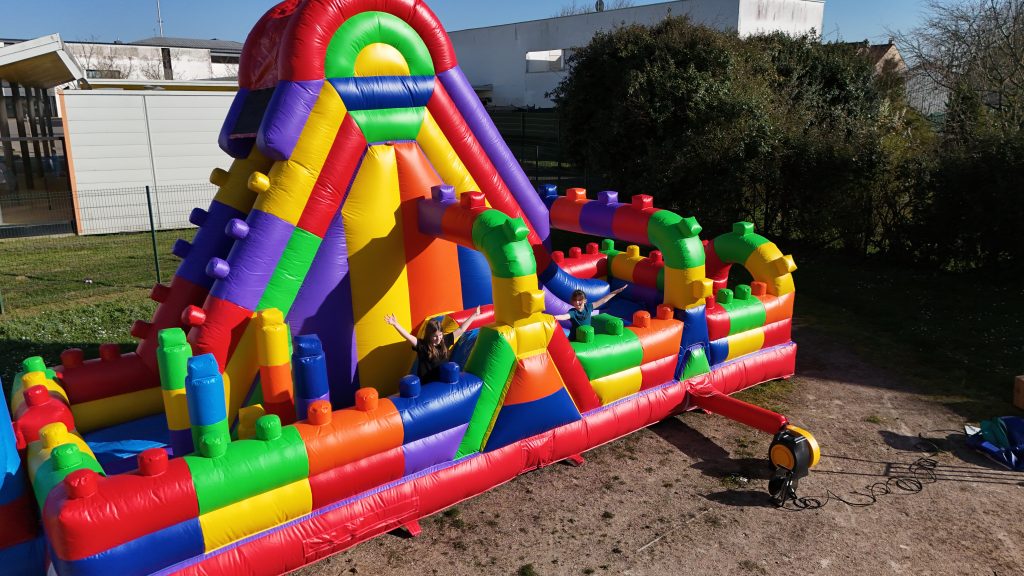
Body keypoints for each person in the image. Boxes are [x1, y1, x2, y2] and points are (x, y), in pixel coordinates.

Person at [385, 306, 481, 383]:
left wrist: (474, 315)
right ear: (429, 336)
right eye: (435, 336)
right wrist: (395, 324)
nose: (438, 338)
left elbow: (461, 329)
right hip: (426, 384)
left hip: (440, 382)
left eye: (440, 335)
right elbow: (408, 336)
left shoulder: (444, 341)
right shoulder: (423, 346)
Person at [554, 286, 626, 341]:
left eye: (579, 300)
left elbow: (604, 300)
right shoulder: (573, 312)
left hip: (588, 335)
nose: (577, 302)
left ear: (585, 301)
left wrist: (616, 292)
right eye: (575, 301)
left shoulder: (588, 307)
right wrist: (553, 317)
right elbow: (564, 316)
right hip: (576, 338)